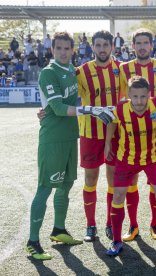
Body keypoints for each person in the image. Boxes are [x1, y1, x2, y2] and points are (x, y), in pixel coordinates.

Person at [26, 32, 114, 260]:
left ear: (73, 50)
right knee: (45, 188)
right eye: (59, 48)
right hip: (52, 139)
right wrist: (92, 110)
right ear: (52, 50)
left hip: (70, 137)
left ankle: (59, 230)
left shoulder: (72, 71)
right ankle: (32, 241)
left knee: (66, 185)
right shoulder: (48, 73)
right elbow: (56, 108)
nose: (63, 52)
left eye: (67, 48)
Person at [76, 30, 140, 243]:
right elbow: (65, 95)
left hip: (116, 133)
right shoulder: (82, 71)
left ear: (113, 47)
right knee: (91, 178)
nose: (102, 49)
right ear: (92, 47)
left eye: (106, 45)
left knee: (114, 179)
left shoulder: (122, 70)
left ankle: (110, 224)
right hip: (90, 133)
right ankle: (90, 224)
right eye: (98, 45)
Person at [104, 76, 156, 256]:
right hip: (127, 159)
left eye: (143, 97)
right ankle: (116, 241)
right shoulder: (120, 108)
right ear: (129, 96)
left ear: (149, 95)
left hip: (153, 158)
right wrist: (107, 143)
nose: (139, 101)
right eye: (135, 97)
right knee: (118, 195)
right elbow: (111, 121)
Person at [119, 28, 156, 241]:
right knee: (131, 182)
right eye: (137, 43)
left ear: (151, 45)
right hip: (129, 133)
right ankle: (132, 225)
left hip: (155, 133)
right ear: (133, 46)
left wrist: (152, 116)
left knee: (155, 182)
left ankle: (155, 224)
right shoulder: (123, 68)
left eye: (145, 42)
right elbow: (122, 99)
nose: (141, 46)